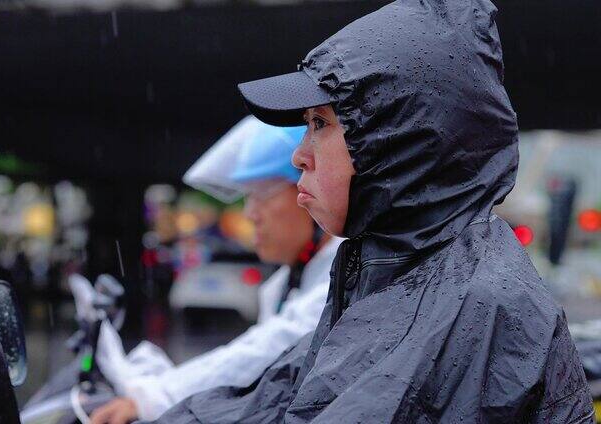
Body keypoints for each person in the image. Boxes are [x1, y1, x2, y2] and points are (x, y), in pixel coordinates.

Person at [149, 0, 594, 422]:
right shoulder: (393, 274)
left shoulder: (475, 305)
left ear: (394, 141)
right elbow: (277, 396)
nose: (299, 156)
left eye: (320, 124)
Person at [90, 116, 343, 424]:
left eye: (262, 193)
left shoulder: (346, 274)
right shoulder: (285, 282)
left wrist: (155, 397)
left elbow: (265, 350)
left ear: (312, 187)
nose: (250, 214)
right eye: (246, 196)